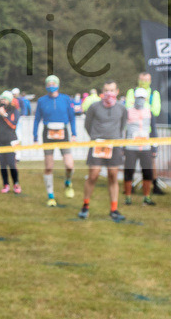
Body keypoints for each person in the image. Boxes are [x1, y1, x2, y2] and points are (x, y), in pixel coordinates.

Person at [80, 80, 127, 221]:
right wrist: (96, 138)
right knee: (93, 175)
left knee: (113, 176)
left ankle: (114, 209)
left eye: (112, 90)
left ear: (117, 92)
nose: (109, 93)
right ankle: (85, 206)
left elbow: (122, 126)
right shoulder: (94, 107)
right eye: (106, 90)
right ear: (102, 92)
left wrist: (115, 139)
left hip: (114, 145)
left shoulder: (122, 109)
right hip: (98, 144)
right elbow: (87, 125)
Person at [32, 75, 77, 207]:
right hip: (48, 133)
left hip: (63, 132)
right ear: (46, 85)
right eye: (49, 83)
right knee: (49, 166)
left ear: (58, 84)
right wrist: (35, 137)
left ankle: (68, 182)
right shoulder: (41, 101)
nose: (51, 85)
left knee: (69, 165)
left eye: (53, 83)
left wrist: (74, 133)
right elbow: (36, 120)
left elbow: (72, 117)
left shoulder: (65, 99)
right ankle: (50, 196)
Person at [123, 87, 157, 207]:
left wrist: (154, 147)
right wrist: (123, 147)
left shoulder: (149, 112)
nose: (140, 100)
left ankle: (146, 197)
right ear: (134, 98)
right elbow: (123, 130)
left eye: (142, 98)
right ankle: (128, 197)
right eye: (138, 98)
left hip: (146, 148)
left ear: (145, 99)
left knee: (147, 173)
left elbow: (153, 131)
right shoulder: (128, 111)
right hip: (131, 148)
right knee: (128, 172)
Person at [0, 90, 21, 194]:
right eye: (2, 98)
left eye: (5, 99)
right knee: (2, 164)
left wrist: (4, 115)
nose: (3, 101)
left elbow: (13, 125)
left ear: (9, 100)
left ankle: (16, 183)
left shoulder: (14, 110)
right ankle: (5, 184)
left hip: (10, 141)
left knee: (12, 163)